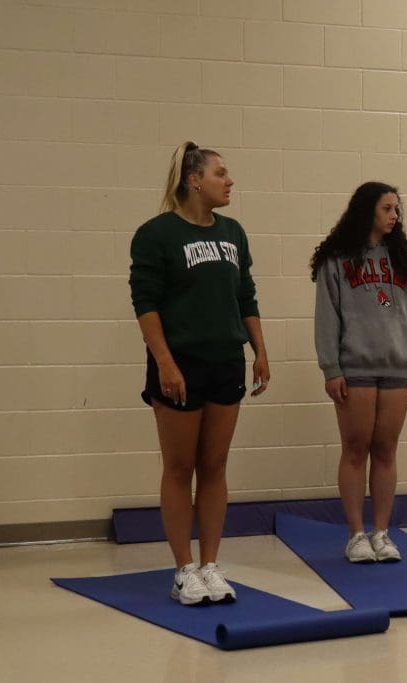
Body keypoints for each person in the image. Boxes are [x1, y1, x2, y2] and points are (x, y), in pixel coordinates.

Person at [128, 141, 270, 605]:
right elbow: (145, 304)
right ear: (193, 180)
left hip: (225, 360)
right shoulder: (156, 234)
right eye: (220, 173)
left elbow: (245, 296)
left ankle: (210, 565)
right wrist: (165, 362)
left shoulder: (233, 232)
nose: (229, 181)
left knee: (214, 466)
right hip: (180, 364)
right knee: (179, 466)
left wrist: (259, 351)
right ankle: (183, 569)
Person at [311, 181, 407, 564]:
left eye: (398, 209)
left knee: (385, 450)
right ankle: (355, 534)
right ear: (367, 211)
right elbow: (326, 318)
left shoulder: (405, 261)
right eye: (387, 208)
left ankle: (381, 532)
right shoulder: (338, 260)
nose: (395, 215)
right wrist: (331, 368)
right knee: (355, 449)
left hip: (398, 368)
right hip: (356, 368)